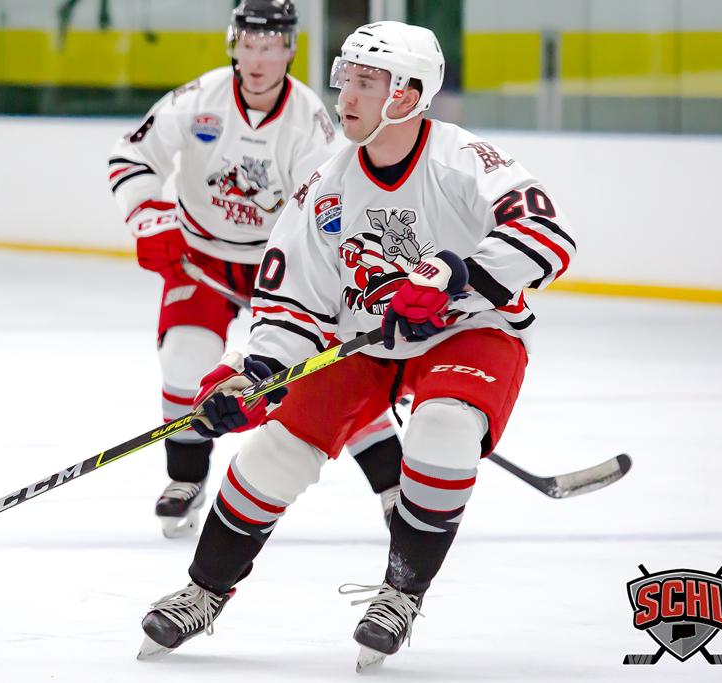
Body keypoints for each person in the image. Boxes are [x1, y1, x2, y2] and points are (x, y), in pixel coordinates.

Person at [136, 20, 577, 670]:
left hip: (475, 331)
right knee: (274, 450)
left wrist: (461, 275)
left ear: (406, 94)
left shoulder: (461, 159)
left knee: (444, 427)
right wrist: (250, 377)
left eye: (366, 81)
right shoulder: (323, 186)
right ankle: (204, 589)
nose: (345, 94)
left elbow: (547, 230)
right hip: (367, 340)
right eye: (346, 78)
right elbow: (292, 306)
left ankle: (402, 591)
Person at [108, 1, 405, 538]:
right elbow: (132, 156)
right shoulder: (200, 98)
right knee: (184, 360)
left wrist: (351, 287)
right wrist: (148, 215)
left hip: (279, 262)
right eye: (249, 45)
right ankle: (187, 477)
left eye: (270, 47)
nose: (258, 58)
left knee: (329, 372)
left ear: (290, 48)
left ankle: (395, 487)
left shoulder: (309, 120)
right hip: (200, 257)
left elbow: (326, 210)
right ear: (233, 44)